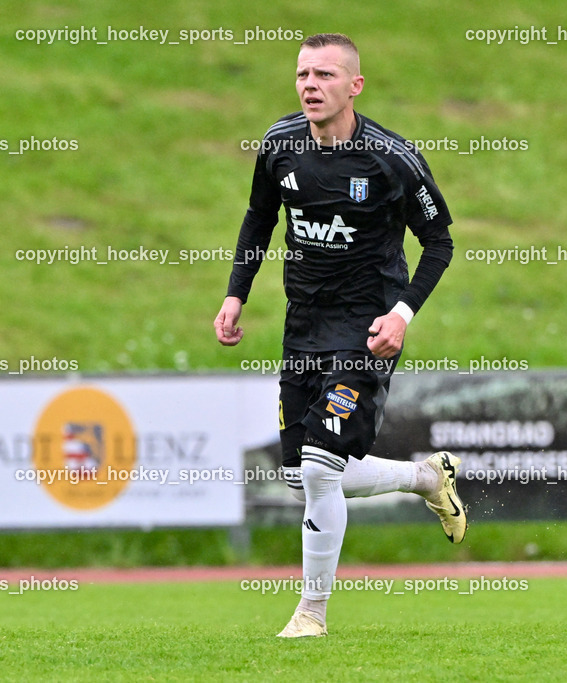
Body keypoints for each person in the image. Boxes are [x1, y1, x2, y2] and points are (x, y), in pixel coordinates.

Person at [214, 33, 466, 638]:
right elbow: (259, 217)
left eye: (324, 75)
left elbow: (440, 243)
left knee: (323, 471)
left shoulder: (391, 159)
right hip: (302, 327)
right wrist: (235, 291)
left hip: (366, 328)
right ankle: (426, 478)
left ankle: (312, 613)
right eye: (302, 74)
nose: (309, 85)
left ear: (354, 86)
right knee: (306, 473)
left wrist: (402, 315)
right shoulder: (278, 146)